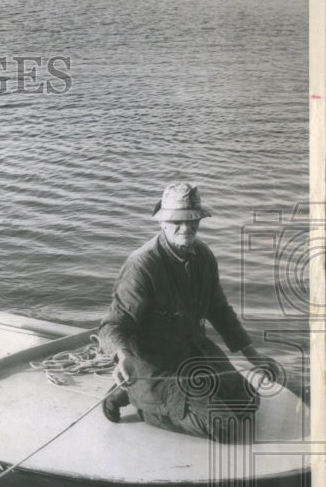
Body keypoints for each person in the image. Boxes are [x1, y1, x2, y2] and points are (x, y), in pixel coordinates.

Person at [98, 182, 283, 441]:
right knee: (226, 429)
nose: (186, 227)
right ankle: (139, 398)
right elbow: (113, 325)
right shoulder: (141, 265)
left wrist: (254, 356)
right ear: (162, 222)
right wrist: (124, 356)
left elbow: (220, 310)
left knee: (249, 403)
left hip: (195, 355)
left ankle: (146, 396)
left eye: (193, 219)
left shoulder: (204, 256)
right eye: (177, 220)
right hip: (159, 369)